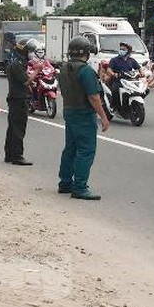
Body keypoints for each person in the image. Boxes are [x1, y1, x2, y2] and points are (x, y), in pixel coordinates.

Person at [57, 36, 110, 201]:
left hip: (69, 111)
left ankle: (65, 183)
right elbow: (93, 97)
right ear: (86, 52)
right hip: (83, 114)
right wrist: (103, 117)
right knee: (86, 151)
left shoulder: (65, 68)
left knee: (70, 149)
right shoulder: (85, 70)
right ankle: (80, 187)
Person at [4, 38, 40, 166]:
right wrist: (37, 70)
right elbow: (26, 81)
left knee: (13, 127)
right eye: (30, 51)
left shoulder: (18, 61)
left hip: (16, 97)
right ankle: (17, 156)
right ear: (24, 51)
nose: (31, 53)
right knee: (18, 128)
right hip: (18, 99)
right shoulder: (17, 63)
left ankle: (9, 154)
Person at [105, 42, 144, 109]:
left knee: (143, 90)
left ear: (128, 51)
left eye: (123, 49)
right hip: (117, 80)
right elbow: (109, 69)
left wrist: (142, 73)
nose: (121, 51)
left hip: (129, 80)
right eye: (120, 49)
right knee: (115, 90)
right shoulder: (114, 60)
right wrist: (114, 74)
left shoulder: (131, 60)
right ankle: (114, 106)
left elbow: (139, 68)